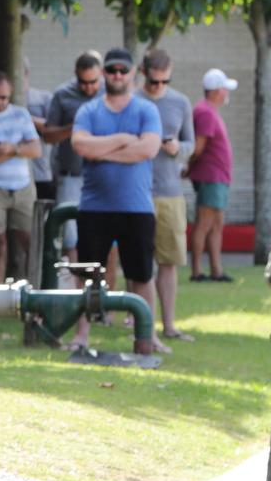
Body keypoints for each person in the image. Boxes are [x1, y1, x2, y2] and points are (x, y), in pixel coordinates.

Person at [66, 48, 167, 354]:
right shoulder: (89, 111)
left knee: (141, 275)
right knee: (87, 274)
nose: (117, 76)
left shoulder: (146, 110)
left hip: (136, 207)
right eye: (112, 71)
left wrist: (104, 150)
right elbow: (81, 145)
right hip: (95, 207)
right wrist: (124, 139)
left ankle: (147, 335)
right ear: (104, 73)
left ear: (133, 73)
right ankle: (81, 334)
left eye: (123, 71)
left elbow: (148, 149)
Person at [135, 49, 196, 341]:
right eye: (154, 82)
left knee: (169, 261)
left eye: (165, 81)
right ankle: (142, 322)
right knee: (139, 262)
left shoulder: (180, 102)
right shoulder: (133, 101)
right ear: (144, 73)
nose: (160, 86)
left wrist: (177, 149)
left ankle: (169, 325)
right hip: (137, 190)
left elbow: (191, 144)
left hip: (170, 191)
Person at [40, 51, 104, 264]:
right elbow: (48, 134)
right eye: (83, 82)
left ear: (101, 75)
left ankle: (106, 290)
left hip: (104, 172)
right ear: (75, 75)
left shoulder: (108, 94)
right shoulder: (63, 94)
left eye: (93, 82)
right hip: (72, 174)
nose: (88, 87)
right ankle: (76, 289)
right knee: (70, 234)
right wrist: (74, 127)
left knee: (105, 232)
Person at [0, 72, 42, 283]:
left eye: (4, 97)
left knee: (29, 240)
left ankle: (35, 289)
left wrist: (10, 149)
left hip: (22, 187)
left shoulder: (21, 114)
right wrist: (17, 150)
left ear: (11, 95)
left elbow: (36, 149)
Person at [187, 68, 238, 282]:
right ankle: (197, 271)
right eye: (225, 89)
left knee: (217, 224)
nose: (227, 93)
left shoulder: (210, 110)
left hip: (218, 176)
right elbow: (198, 147)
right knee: (205, 223)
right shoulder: (205, 112)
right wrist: (188, 168)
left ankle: (217, 269)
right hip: (211, 175)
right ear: (216, 90)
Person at [24, 58, 55, 201]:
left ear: (27, 74)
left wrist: (26, 119)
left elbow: (53, 127)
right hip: (14, 176)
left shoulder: (42, 98)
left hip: (41, 171)